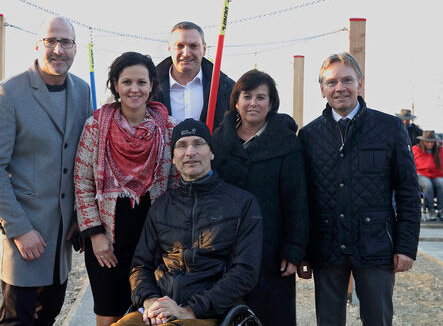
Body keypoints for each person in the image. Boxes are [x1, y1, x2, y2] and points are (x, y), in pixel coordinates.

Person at [0, 17, 92, 325]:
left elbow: (84, 159)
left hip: (61, 238)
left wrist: (81, 218)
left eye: (65, 42)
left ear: (75, 48)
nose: (58, 50)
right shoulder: (7, 94)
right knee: (18, 319)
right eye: (51, 41)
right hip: (23, 234)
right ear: (38, 45)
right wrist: (19, 229)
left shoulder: (82, 92)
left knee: (49, 315)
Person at [298, 52, 421, 326]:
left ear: (360, 85)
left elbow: (408, 192)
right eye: (331, 82)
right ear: (322, 89)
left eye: (347, 80)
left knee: (378, 320)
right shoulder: (308, 136)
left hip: (376, 245)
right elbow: (303, 199)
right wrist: (303, 251)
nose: (339, 88)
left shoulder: (389, 128)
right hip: (327, 247)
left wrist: (406, 245)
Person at [114, 119, 263, 326]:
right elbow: (140, 265)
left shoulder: (243, 204)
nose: (190, 152)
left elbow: (245, 272)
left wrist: (190, 310)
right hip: (161, 306)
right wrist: (150, 301)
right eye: (182, 145)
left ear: (211, 152)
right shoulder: (161, 206)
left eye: (198, 143)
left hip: (210, 312)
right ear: (173, 158)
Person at [74, 52, 177, 325]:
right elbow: (82, 183)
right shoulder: (95, 126)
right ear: (115, 85)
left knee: (149, 315)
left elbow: (176, 184)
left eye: (141, 82)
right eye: (127, 82)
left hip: (153, 239)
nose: (134, 89)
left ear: (152, 86)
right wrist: (95, 234)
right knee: (108, 315)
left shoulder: (167, 128)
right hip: (107, 238)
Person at [212, 69, 309, 326]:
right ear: (236, 101)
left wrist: (294, 248)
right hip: (227, 249)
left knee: (272, 316)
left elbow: (297, 200)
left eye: (260, 97)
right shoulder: (218, 141)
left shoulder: (287, 143)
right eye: (247, 96)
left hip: (272, 247)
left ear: (271, 103)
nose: (253, 103)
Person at [153, 21, 235, 130]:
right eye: (180, 46)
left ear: (204, 49)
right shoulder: (150, 88)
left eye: (193, 46)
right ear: (169, 48)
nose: (186, 53)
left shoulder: (226, 88)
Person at [412, 130, 443, 220]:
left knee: (441, 183)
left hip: (436, 175)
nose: (430, 144)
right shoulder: (416, 149)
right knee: (427, 184)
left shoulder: (439, 150)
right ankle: (431, 210)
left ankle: (441, 210)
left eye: (432, 142)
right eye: (427, 141)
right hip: (420, 174)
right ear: (423, 141)